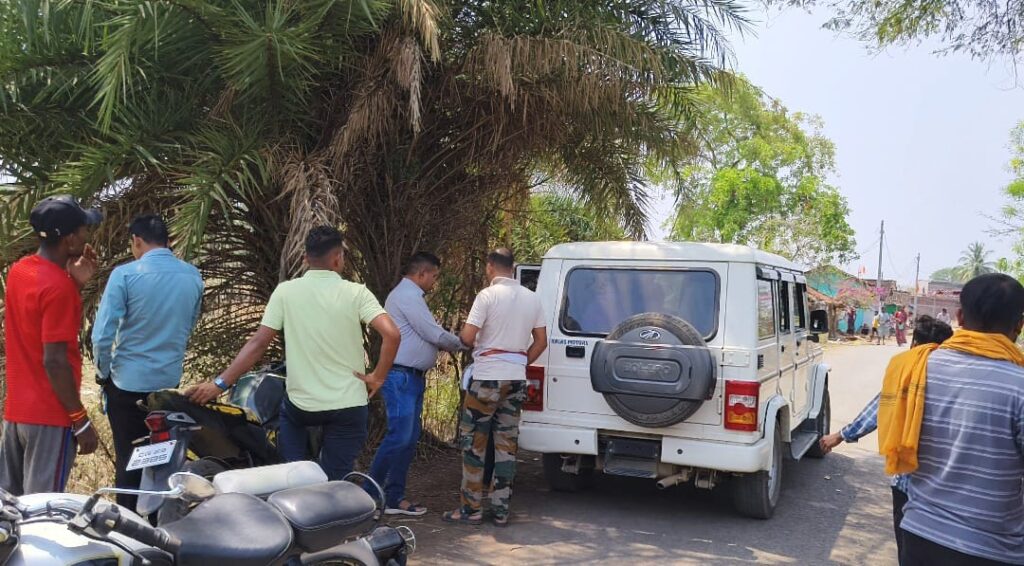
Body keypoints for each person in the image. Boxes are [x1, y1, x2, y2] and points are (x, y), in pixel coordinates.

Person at [185, 226, 400, 480]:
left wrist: (219, 384)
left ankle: (295, 487)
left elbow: (258, 343)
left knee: (293, 475)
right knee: (336, 479)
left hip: (302, 406)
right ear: (338, 258)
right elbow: (392, 334)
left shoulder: (285, 292)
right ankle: (333, 494)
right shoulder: (357, 293)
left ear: (305, 258)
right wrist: (377, 377)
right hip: (348, 405)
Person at [887, 274, 1024, 565]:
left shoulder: (917, 369)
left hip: (919, 535)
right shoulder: (1019, 386)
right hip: (993, 548)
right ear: (1019, 325)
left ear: (959, 316)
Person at [817, 315, 953, 558]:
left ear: (914, 343)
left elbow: (880, 408)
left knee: (909, 551)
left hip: (907, 481)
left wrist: (840, 435)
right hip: (947, 487)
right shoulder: (957, 377)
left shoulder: (906, 369)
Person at [92, 214, 204, 509]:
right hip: (168, 386)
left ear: (137, 241)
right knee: (164, 462)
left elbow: (102, 336)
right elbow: (189, 324)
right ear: (168, 242)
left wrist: (103, 373)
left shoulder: (125, 275)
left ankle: (127, 524)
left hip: (127, 385)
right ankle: (161, 523)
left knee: (129, 462)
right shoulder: (193, 276)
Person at [0, 195, 101, 495]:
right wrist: (80, 420)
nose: (87, 235)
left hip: (16, 414)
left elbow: (36, 322)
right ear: (70, 240)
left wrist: (74, 283)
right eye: (83, 230)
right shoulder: (58, 288)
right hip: (49, 417)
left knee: (10, 507)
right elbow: (54, 361)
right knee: (42, 510)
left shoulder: (20, 271)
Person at [443, 249, 547, 527]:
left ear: (490, 267)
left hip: (487, 378)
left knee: (474, 444)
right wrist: (520, 362)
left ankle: (471, 509)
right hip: (516, 380)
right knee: (506, 446)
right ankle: (501, 511)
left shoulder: (486, 296)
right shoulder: (532, 298)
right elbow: (541, 341)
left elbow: (467, 337)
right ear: (513, 267)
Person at [368, 252, 465, 516]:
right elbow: (432, 333)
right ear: (421, 273)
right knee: (399, 436)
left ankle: (393, 497)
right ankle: (368, 494)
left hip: (411, 377)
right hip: (401, 376)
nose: (435, 282)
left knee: (408, 439)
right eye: (434, 276)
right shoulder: (407, 296)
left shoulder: (411, 296)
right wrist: (463, 343)